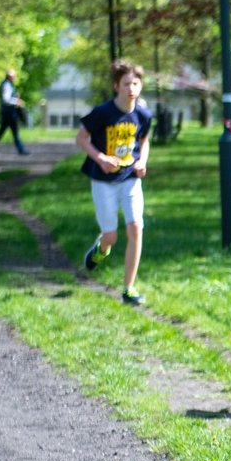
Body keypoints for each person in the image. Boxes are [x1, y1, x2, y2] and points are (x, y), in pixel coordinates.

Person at [76, 59, 152, 305]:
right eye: (126, 83)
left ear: (140, 86)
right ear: (116, 86)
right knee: (111, 236)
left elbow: (143, 141)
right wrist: (100, 158)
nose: (131, 88)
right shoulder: (102, 113)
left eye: (135, 83)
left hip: (130, 179)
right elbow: (81, 138)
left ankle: (128, 288)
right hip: (103, 181)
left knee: (136, 228)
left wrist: (142, 162)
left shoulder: (143, 114)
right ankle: (100, 250)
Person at [0, 69, 30, 155]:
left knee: (3, 130)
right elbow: (6, 100)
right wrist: (16, 101)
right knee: (14, 131)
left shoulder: (8, 85)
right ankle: (21, 150)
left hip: (8, 112)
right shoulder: (6, 85)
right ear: (10, 76)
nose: (14, 78)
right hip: (9, 113)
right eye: (13, 76)